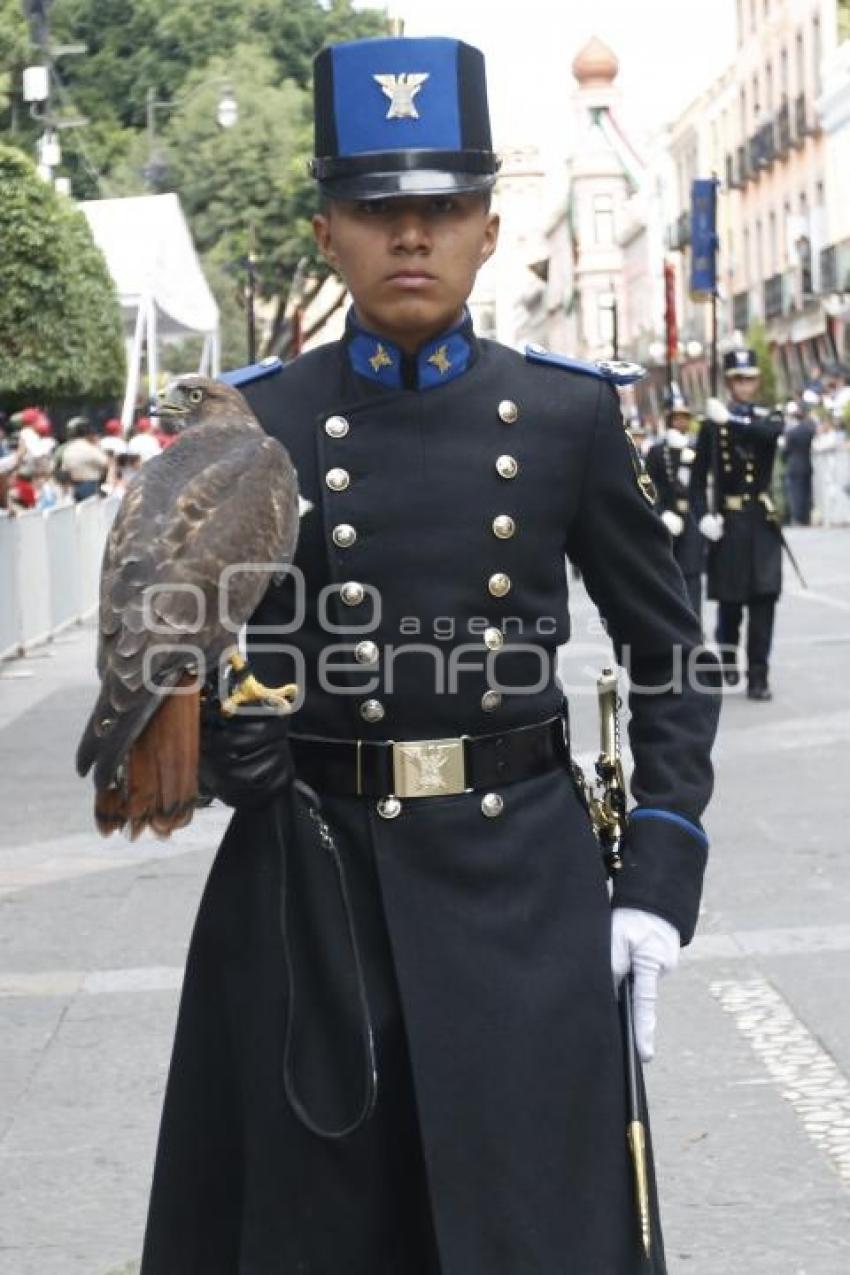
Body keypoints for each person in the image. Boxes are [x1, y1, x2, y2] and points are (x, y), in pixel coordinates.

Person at [140, 35, 720, 1275]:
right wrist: (241, 738)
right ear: (328, 235)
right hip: (309, 890)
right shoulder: (265, 420)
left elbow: (669, 646)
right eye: (377, 210)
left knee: (531, 1231)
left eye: (442, 209)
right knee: (314, 1234)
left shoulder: (566, 414)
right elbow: (228, 652)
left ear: (488, 232)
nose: (412, 236)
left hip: (524, 888)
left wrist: (660, 873)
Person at [692, 347, 784, 701]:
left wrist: (729, 422)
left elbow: (768, 435)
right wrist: (703, 519)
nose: (745, 386)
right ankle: (728, 656)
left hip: (761, 521)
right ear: (729, 383)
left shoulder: (764, 417)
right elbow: (698, 481)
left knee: (764, 600)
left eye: (750, 379)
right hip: (728, 522)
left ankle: (759, 676)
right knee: (730, 603)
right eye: (738, 380)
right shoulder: (711, 427)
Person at [645, 389, 704, 619]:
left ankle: (694, 621)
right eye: (676, 417)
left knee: (693, 574)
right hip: (668, 519)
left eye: (684, 417)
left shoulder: (696, 448)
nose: (681, 422)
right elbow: (650, 486)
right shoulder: (658, 452)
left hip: (691, 518)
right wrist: (661, 512)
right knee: (668, 573)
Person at [781, 400, 816, 526]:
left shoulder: (792, 432)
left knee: (795, 493)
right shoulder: (810, 430)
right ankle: (806, 516)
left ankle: (797, 517)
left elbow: (786, 450)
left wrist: (784, 458)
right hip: (806, 463)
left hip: (794, 464)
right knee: (806, 492)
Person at [58, 417, 108, 502]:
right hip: (91, 485)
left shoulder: (68, 449)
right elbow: (105, 463)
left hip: (74, 486)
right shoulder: (89, 447)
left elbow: (64, 470)